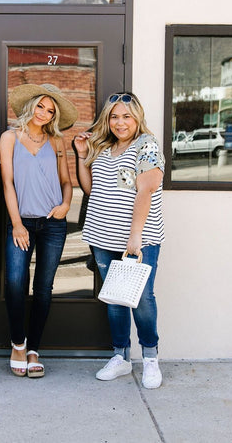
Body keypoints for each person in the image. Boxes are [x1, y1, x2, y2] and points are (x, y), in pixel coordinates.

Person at [73, 92, 165, 389]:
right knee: (115, 300)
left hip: (138, 239)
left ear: (137, 117)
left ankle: (150, 359)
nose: (120, 122)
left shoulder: (146, 145)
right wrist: (80, 154)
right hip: (102, 235)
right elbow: (90, 188)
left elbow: (145, 191)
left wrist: (135, 238)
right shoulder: (104, 146)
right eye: (114, 116)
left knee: (141, 299)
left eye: (126, 116)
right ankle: (121, 357)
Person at [0, 83, 77, 378]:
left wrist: (66, 203)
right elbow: (7, 183)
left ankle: (34, 349)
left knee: (44, 288)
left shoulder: (56, 141)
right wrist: (17, 223)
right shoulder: (9, 138)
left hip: (53, 224)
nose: (44, 113)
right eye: (41, 106)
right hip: (22, 222)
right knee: (16, 284)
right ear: (30, 105)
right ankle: (17, 344)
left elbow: (67, 181)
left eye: (50, 110)